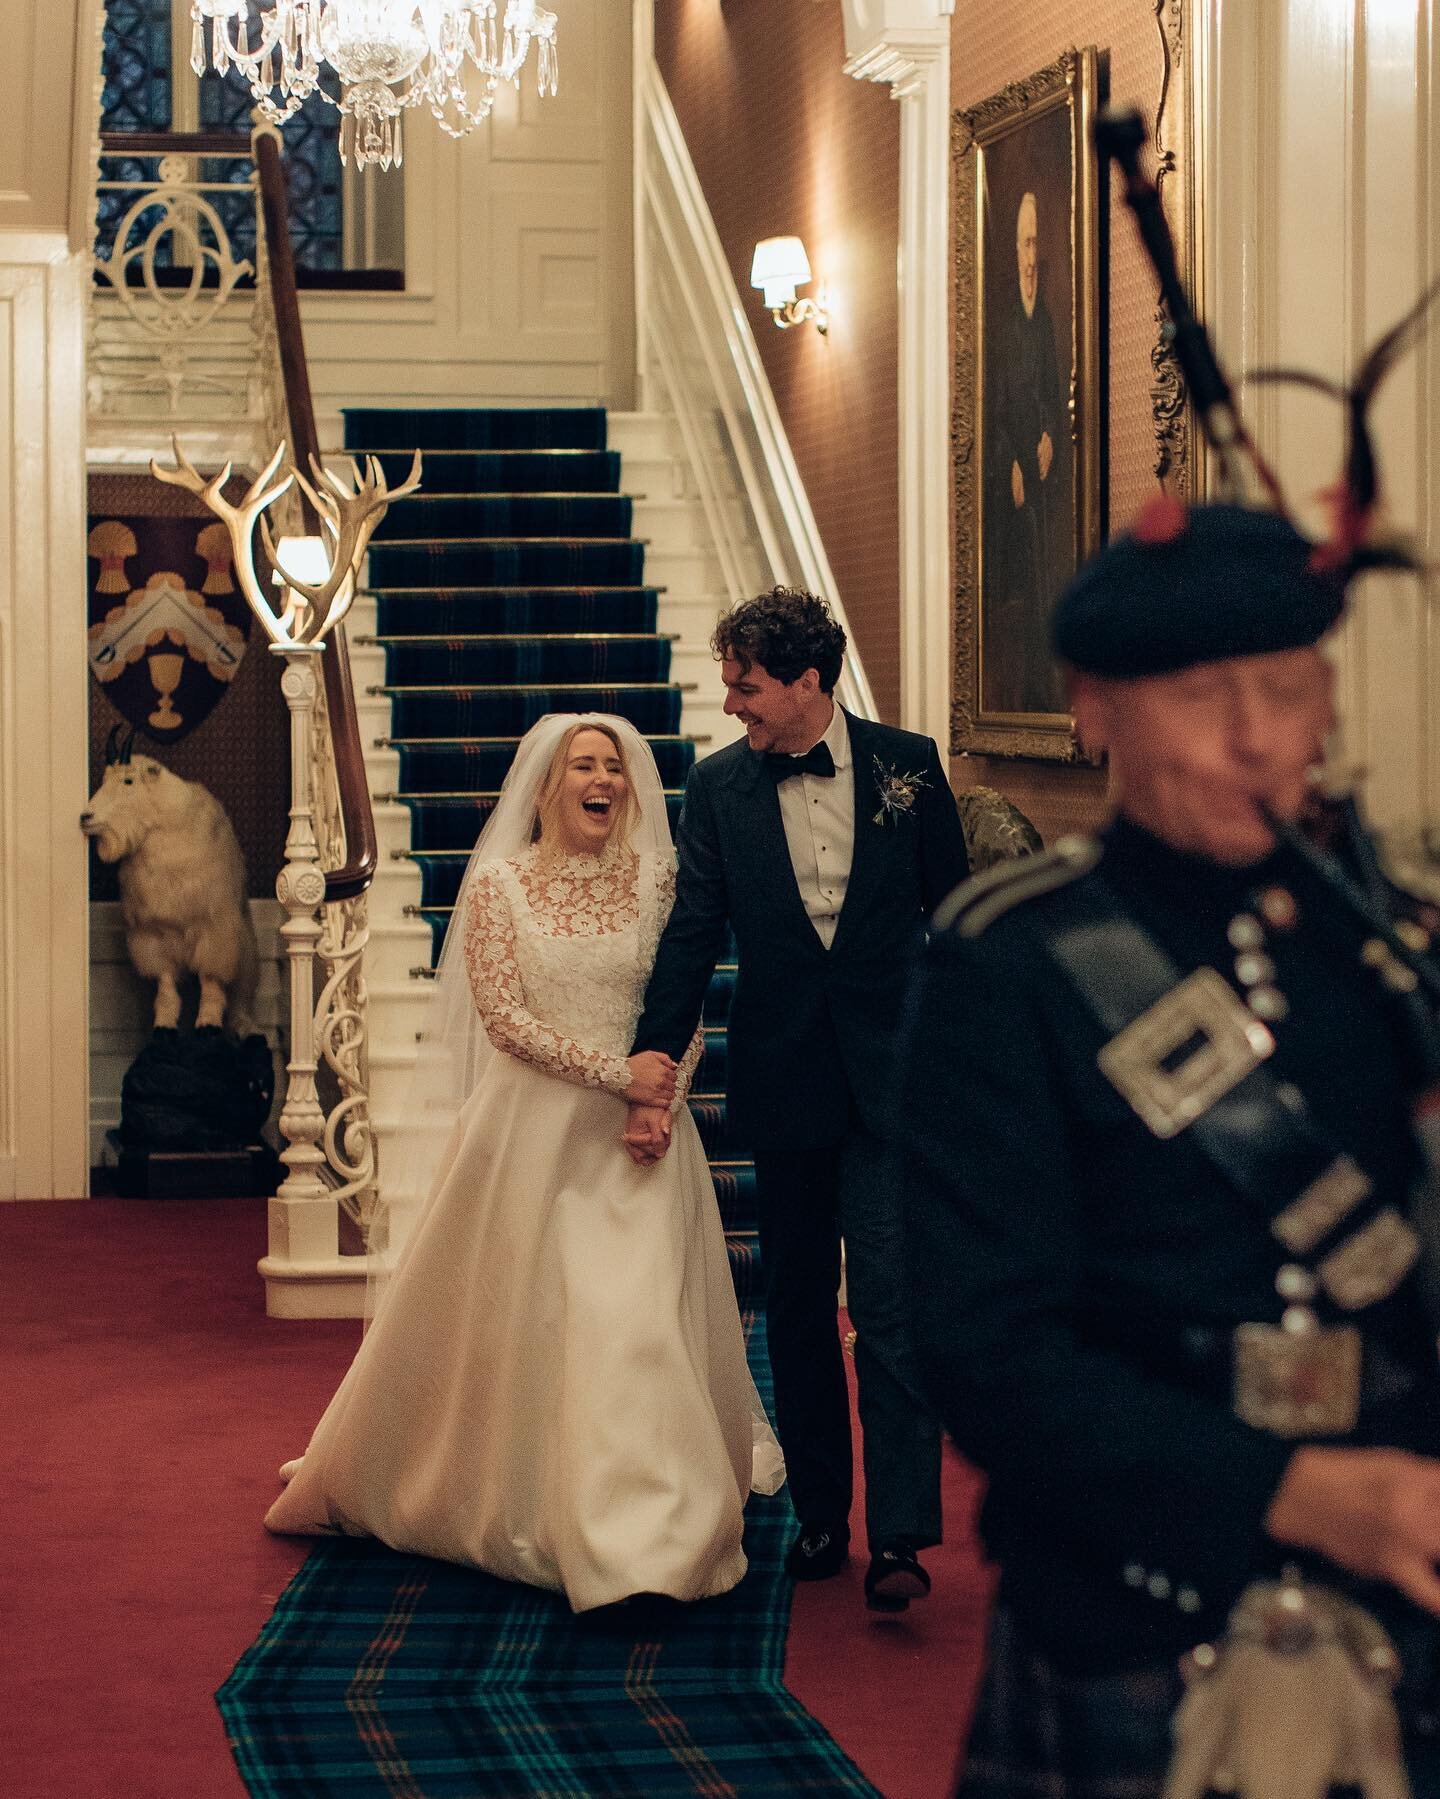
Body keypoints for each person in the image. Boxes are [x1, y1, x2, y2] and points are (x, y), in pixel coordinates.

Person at [901, 498, 1440, 1792]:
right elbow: (984, 1350)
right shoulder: (1010, 959)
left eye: (1287, 687)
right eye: (1204, 694)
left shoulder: (1391, 958)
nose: (1257, 739)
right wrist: (1295, 1491)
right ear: (1096, 707)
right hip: (1134, 1608)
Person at [265, 714, 784, 1613]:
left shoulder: (657, 882)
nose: (603, 780)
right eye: (583, 765)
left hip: (643, 1140)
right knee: (545, 1318)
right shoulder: (502, 884)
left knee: (636, 1320)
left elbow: (681, 997)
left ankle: (646, 1531)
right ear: (546, 786)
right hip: (533, 1139)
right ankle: (532, 1495)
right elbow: (505, 1020)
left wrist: (655, 1097)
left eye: (614, 768)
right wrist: (615, 1077)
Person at [626, 586, 969, 1611]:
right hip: (779, 1077)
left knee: (892, 1304)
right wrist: (654, 1049)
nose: (732, 702)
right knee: (796, 1309)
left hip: (894, 1079)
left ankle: (902, 1533)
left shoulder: (909, 764)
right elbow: (693, 930)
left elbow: (953, 923)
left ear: (808, 679)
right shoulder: (719, 785)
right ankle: (823, 1511)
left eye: (747, 682)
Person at [984, 189, 1071, 716]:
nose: (1032, 255)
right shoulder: (1002, 315)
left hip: (1043, 458)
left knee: (1048, 573)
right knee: (1020, 577)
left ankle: (1046, 682)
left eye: (1039, 243)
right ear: (1014, 249)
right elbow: (991, 398)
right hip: (1008, 466)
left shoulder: (1046, 313)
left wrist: (1051, 438)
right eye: (1025, 244)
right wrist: (1009, 462)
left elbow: (1056, 388)